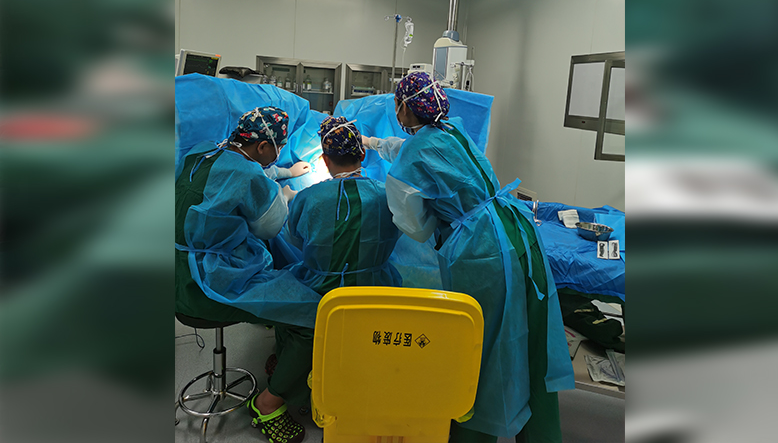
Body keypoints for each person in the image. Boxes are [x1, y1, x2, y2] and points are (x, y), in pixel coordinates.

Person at [362, 72, 574, 443]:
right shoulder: (453, 130)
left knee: (480, 346)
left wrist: (439, 218)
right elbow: (420, 151)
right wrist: (374, 143)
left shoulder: (415, 156)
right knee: (531, 340)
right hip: (517, 233)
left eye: (396, 103)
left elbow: (416, 227)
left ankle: (475, 434)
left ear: (404, 107)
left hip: (482, 252)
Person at [246, 116, 401, 440]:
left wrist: (293, 198)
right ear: (362, 154)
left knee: (297, 320)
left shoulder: (309, 198)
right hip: (377, 290)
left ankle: (272, 396)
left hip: (320, 290)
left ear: (325, 160)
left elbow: (297, 240)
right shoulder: (386, 195)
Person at [175, 106, 308, 443]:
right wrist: (283, 196)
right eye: (278, 147)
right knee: (309, 313)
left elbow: (233, 176)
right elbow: (270, 226)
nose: (278, 152)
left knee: (284, 288)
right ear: (263, 146)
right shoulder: (249, 175)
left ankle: (283, 359)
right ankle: (268, 404)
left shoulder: (201, 152)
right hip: (208, 284)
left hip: (175, 273)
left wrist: (283, 172)